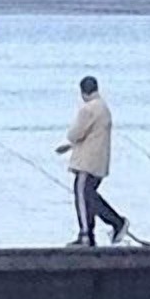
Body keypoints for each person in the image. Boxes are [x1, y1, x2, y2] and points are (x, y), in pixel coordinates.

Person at [56, 76, 128, 247]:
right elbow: (91, 135)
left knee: (82, 196)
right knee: (90, 196)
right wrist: (70, 146)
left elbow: (75, 133)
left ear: (83, 92)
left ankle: (88, 234)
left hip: (86, 163)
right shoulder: (103, 107)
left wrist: (68, 143)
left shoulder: (88, 109)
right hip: (99, 162)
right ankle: (102, 229)